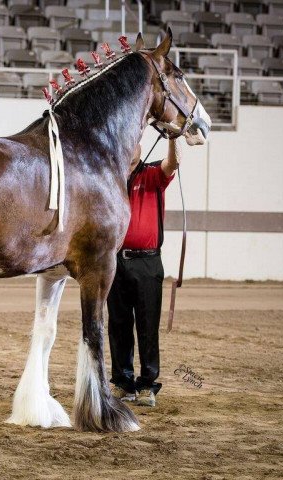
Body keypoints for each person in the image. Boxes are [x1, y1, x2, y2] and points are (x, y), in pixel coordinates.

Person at [107, 138, 182, 407]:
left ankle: (147, 384)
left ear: (140, 148)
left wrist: (173, 139)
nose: (130, 147)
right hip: (115, 261)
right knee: (118, 325)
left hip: (147, 263)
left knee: (148, 326)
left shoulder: (152, 174)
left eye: (135, 143)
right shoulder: (111, 177)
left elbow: (172, 163)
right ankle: (123, 382)